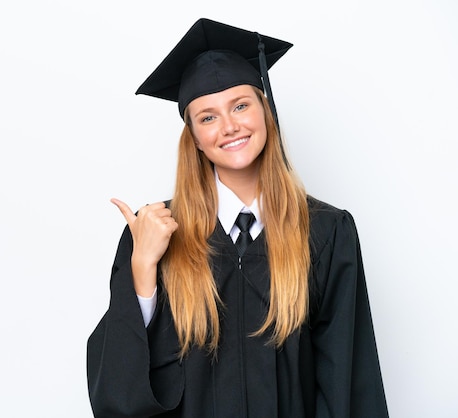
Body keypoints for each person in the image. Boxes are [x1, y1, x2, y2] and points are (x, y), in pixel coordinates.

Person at [87, 18, 389, 418]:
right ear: (193, 136)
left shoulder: (326, 232)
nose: (229, 126)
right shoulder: (153, 233)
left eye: (241, 106)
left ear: (266, 112)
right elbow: (119, 387)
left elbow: (347, 377)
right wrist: (143, 268)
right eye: (208, 117)